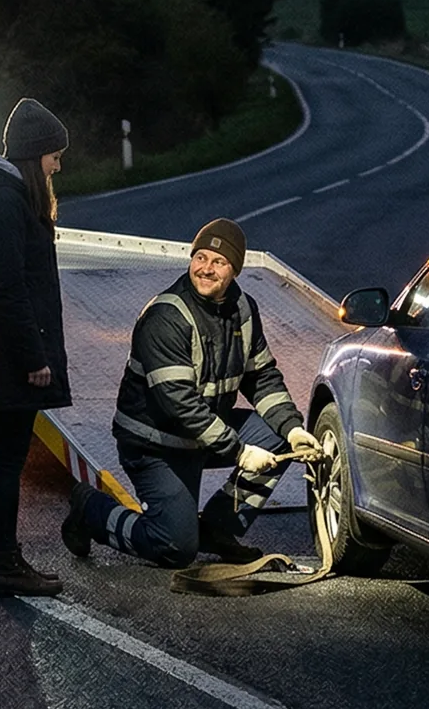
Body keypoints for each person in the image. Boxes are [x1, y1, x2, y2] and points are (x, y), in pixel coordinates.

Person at [61, 217, 318, 569]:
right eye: (200, 258)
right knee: (175, 548)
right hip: (156, 444)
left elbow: (261, 377)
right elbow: (178, 405)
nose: (206, 269)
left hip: (202, 436)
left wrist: (293, 428)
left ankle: (218, 528)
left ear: (235, 270)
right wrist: (240, 452)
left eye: (219, 261)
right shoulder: (167, 316)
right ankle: (90, 510)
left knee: (277, 434)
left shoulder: (243, 309)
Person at [0, 97, 74, 597]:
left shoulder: (8, 198)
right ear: (33, 154)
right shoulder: (4, 203)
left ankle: (5, 561)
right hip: (8, 356)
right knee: (7, 459)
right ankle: (3, 564)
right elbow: (8, 288)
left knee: (8, 456)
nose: (57, 166)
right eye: (54, 156)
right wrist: (33, 358)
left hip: (6, 352)